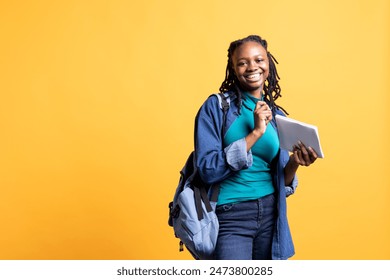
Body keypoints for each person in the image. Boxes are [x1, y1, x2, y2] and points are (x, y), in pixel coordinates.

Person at [194, 35, 318, 260]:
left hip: (271, 213)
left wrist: (294, 163)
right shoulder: (216, 108)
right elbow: (207, 169)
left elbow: (281, 178)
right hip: (230, 214)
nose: (252, 67)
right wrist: (256, 133)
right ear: (233, 69)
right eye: (242, 62)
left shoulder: (276, 115)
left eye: (259, 60)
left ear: (268, 64)